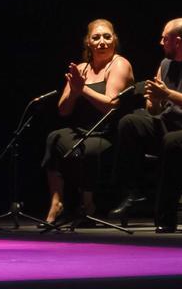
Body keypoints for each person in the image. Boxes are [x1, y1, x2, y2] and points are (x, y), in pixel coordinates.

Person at [110, 18, 182, 233]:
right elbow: (153, 110)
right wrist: (154, 101)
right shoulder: (165, 64)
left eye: (164, 38)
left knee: (173, 141)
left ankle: (166, 215)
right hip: (171, 126)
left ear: (177, 41)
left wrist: (167, 94)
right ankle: (136, 192)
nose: (160, 42)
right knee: (131, 123)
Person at [41, 19, 134, 225]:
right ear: (88, 43)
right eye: (96, 37)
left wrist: (82, 89)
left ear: (114, 40)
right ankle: (56, 202)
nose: (102, 41)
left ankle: (88, 205)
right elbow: (63, 110)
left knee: (87, 149)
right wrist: (73, 92)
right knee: (54, 138)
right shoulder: (81, 68)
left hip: (108, 132)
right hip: (81, 130)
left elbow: (110, 105)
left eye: (107, 36)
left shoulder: (119, 64)